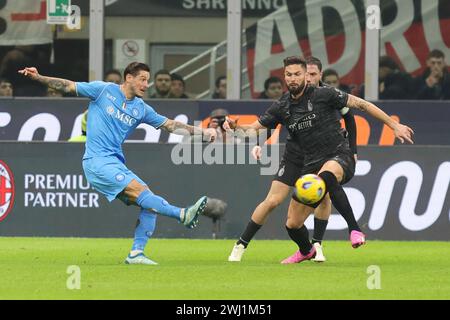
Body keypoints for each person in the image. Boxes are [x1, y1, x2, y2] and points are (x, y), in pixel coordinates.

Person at [19, 62, 217, 265]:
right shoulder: (103, 90)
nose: (146, 84)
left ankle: (136, 254)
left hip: (115, 162)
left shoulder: (141, 109)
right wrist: (39, 77)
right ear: (128, 78)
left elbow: (170, 125)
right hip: (97, 162)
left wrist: (202, 132)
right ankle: (182, 214)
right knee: (145, 195)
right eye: (142, 79)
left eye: (147, 80)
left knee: (149, 202)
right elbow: (67, 86)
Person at [227, 56, 413, 264]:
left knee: (327, 175)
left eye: (297, 74)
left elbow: (361, 105)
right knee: (292, 224)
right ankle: (307, 251)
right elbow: (254, 129)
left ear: (306, 75)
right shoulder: (282, 106)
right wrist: (237, 129)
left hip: (338, 154)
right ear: (284, 77)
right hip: (309, 165)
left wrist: (393, 125)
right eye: (289, 75)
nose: (293, 79)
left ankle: (354, 229)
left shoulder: (324, 94)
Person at [228, 56, 358, 263]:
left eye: (310, 74)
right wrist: (260, 144)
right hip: (295, 155)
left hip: (321, 155)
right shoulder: (287, 102)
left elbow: (350, 117)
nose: (302, 77)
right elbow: (272, 122)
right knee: (272, 201)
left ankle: (317, 245)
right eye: (290, 75)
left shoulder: (327, 95)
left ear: (315, 75)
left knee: (323, 195)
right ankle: (241, 245)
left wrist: (353, 150)